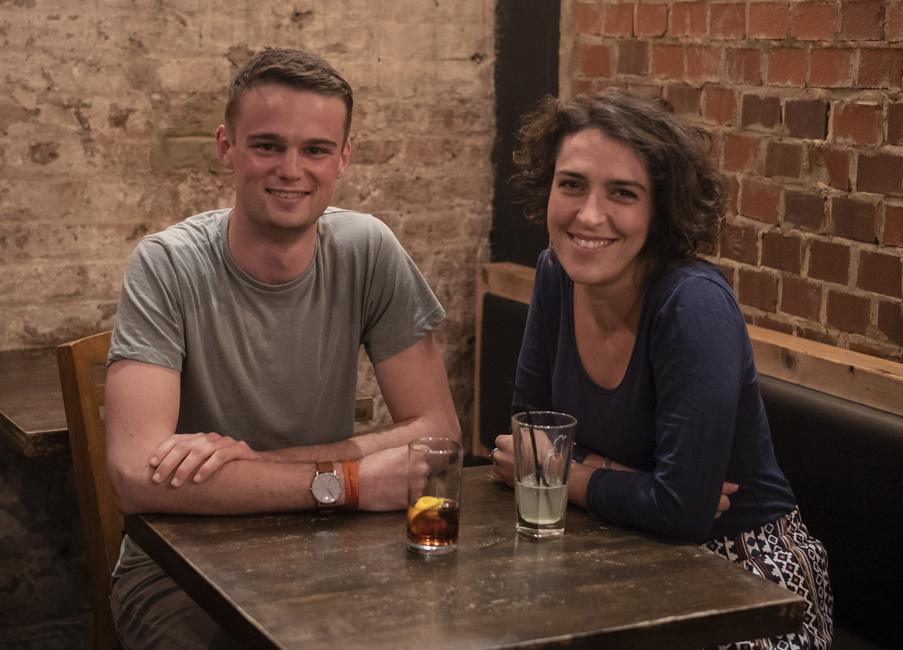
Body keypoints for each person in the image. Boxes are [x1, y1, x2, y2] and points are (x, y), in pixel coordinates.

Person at [105, 48, 460, 648]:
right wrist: (346, 483)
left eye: (315, 149)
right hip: (177, 567)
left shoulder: (368, 249)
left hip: (334, 549)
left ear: (343, 158)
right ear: (227, 148)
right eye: (267, 145)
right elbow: (137, 476)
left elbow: (439, 432)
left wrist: (253, 465)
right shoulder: (167, 263)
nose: (291, 169)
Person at [491, 89, 833, 649]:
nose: (588, 214)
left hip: (745, 580)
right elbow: (529, 436)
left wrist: (574, 474)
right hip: (618, 553)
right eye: (571, 184)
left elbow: (683, 513)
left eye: (622, 193)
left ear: (660, 209)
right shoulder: (557, 273)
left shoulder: (691, 304)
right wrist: (632, 483)